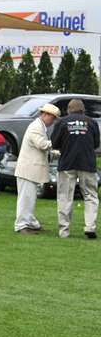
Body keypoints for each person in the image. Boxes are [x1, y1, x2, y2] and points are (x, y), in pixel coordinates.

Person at [52, 98, 100, 239]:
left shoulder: (62, 122)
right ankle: (90, 226)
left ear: (68, 109)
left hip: (67, 163)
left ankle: (64, 231)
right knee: (91, 195)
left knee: (65, 197)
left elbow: (54, 143)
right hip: (87, 164)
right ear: (83, 109)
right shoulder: (92, 122)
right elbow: (96, 144)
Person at [13, 103, 59, 234]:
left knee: (30, 198)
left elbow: (41, 148)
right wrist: (59, 144)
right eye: (53, 118)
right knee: (26, 198)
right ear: (45, 115)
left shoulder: (39, 126)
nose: (54, 121)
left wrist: (55, 152)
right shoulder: (36, 127)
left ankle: (31, 223)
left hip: (30, 169)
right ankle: (21, 225)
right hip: (28, 169)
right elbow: (41, 144)